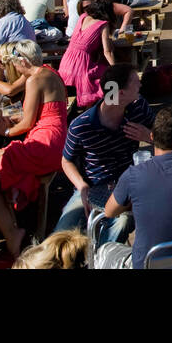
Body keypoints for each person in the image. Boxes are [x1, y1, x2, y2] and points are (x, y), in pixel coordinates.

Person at [0, 40, 69, 255]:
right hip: (55, 141)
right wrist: (15, 120)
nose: (14, 68)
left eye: (15, 64)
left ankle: (12, 233)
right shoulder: (50, 72)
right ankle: (12, 212)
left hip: (42, 144)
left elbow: (27, 124)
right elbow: (44, 113)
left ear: (22, 61)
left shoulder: (34, 79)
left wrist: (4, 132)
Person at [94, 106, 172, 269]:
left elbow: (110, 211)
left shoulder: (134, 175)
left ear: (152, 136)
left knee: (105, 249)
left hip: (150, 263)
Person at [55, 63, 154, 244]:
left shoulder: (138, 108)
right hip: (91, 188)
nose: (140, 84)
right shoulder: (81, 126)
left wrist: (149, 136)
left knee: (121, 223)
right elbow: (66, 161)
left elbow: (167, 139)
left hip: (125, 188)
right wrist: (81, 185)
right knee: (61, 234)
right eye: (135, 81)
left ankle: (101, 259)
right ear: (121, 94)